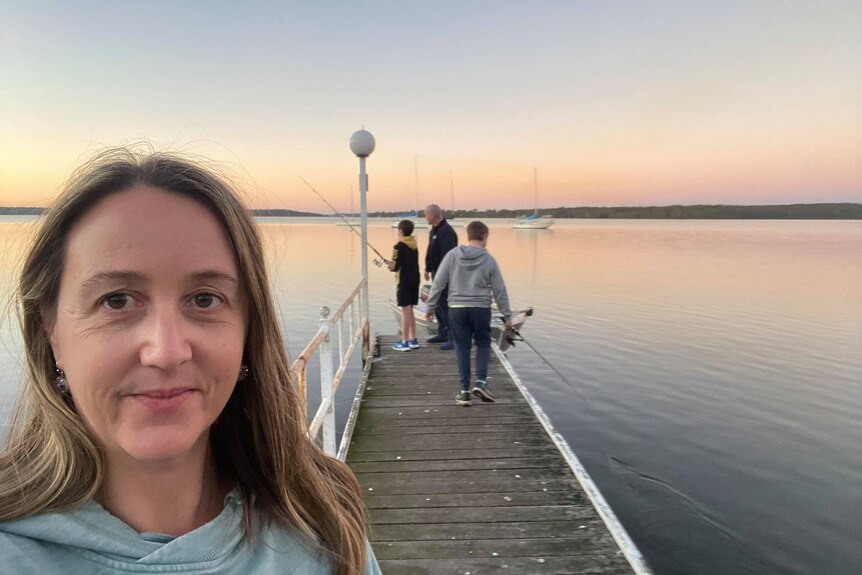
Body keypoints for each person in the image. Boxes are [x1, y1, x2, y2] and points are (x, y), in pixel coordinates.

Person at [0, 148, 381, 575]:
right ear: (51, 332)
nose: (166, 351)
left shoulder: (321, 525)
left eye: (205, 299)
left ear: (247, 331)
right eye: (117, 300)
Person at [425, 221, 513, 407]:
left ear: (468, 235)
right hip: (481, 308)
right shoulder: (489, 260)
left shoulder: (452, 255)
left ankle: (464, 392)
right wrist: (507, 316)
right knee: (482, 343)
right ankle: (481, 382)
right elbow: (499, 290)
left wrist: (430, 306)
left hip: (456, 309)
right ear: (485, 236)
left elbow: (439, 282)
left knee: (462, 348)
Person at [423, 203, 458, 349]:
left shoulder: (447, 232)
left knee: (444, 303)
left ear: (431, 215)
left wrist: (442, 273)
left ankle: (452, 336)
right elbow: (431, 251)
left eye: (426, 215)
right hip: (435, 271)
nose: (425, 218)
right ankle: (442, 332)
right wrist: (427, 268)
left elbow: (448, 256)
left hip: (445, 273)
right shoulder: (434, 230)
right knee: (437, 302)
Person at [388, 219, 420, 351]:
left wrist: (390, 265)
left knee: (404, 312)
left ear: (401, 231)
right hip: (415, 279)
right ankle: (413, 339)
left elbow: (394, 268)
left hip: (404, 281)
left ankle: (404, 342)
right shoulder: (414, 243)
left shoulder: (398, 246)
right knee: (410, 310)